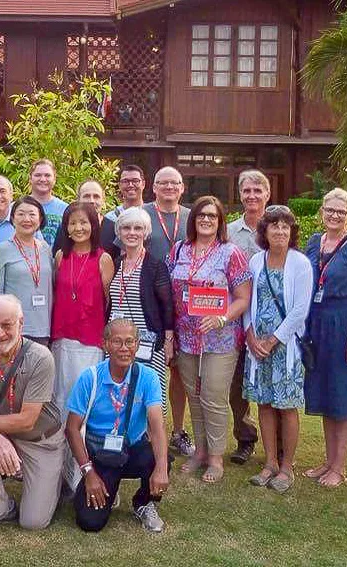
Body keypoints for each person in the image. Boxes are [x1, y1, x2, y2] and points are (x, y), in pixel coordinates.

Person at [0, 296, 63, 532]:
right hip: (4, 435)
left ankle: (59, 475)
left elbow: (27, 420)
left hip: (41, 441)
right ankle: (0, 508)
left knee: (33, 522)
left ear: (21, 324)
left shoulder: (41, 357)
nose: (0, 333)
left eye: (7, 325)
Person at [168, 195, 251, 483]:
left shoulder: (231, 253)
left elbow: (243, 298)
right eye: (201, 214)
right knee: (195, 396)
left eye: (212, 216)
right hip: (187, 338)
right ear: (194, 219)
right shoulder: (179, 249)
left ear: (220, 221)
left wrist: (222, 317)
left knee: (214, 397)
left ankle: (216, 456)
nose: (206, 219)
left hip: (221, 338)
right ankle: (200, 451)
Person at [66, 319, 169, 533]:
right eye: (117, 342)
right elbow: (72, 429)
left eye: (130, 341)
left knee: (159, 458)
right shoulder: (90, 378)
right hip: (101, 455)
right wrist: (89, 473)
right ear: (105, 344)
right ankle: (103, 489)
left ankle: (143, 502)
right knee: (90, 523)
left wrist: (161, 468)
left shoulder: (148, 377)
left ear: (138, 344)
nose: (124, 348)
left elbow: (157, 426)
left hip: (131, 449)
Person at [303, 188, 347, 487]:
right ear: (322, 211)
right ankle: (328, 461)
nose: (334, 215)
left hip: (343, 325)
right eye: (330, 210)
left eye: (341, 212)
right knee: (324, 393)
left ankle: (340, 467)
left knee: (342, 397)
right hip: (316, 325)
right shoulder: (313, 242)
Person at [243, 206, 312, 493]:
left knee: (287, 406)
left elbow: (300, 310)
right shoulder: (256, 262)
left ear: (291, 232)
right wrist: (251, 337)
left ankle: (286, 467)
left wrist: (273, 341)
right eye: (274, 226)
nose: (280, 231)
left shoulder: (300, 263)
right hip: (257, 348)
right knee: (266, 404)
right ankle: (270, 462)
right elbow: (246, 302)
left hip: (285, 349)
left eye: (285, 227)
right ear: (265, 232)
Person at [142, 166, 193, 458]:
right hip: (152, 301)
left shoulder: (191, 217)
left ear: (182, 187)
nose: (169, 187)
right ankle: (147, 430)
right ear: (154, 187)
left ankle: (177, 430)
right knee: (151, 366)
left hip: (186, 302)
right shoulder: (143, 215)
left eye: (174, 183)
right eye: (163, 183)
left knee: (179, 371)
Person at [107, 206, 174, 415]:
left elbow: (167, 306)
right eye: (126, 228)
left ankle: (152, 444)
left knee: (149, 398)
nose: (132, 233)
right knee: (118, 396)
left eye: (138, 228)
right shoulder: (115, 264)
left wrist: (169, 342)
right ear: (119, 232)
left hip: (147, 344)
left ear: (145, 233)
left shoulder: (155, 266)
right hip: (118, 342)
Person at [51, 202, 115, 418]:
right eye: (73, 223)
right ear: (66, 227)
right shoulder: (60, 256)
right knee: (60, 392)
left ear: (93, 225)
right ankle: (60, 444)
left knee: (85, 393)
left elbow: (108, 301)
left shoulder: (103, 259)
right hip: (62, 335)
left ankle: (84, 445)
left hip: (90, 337)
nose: (79, 228)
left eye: (84, 222)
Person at [226, 169, 270, 465]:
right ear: (240, 195)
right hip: (236, 320)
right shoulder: (229, 232)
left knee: (270, 384)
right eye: (247, 191)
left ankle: (278, 444)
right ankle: (245, 437)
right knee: (237, 386)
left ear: (267, 194)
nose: (252, 196)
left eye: (258, 190)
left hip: (271, 322)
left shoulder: (279, 226)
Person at [0, 197, 53, 345]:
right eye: (21, 214)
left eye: (32, 214)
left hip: (43, 327)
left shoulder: (45, 249)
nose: (26, 219)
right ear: (12, 218)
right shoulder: (2, 249)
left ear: (40, 218)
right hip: (13, 328)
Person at [28, 159, 67, 246]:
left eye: (47, 175)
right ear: (30, 178)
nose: (42, 179)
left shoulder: (65, 209)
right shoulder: (17, 208)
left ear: (54, 179)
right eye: (38, 175)